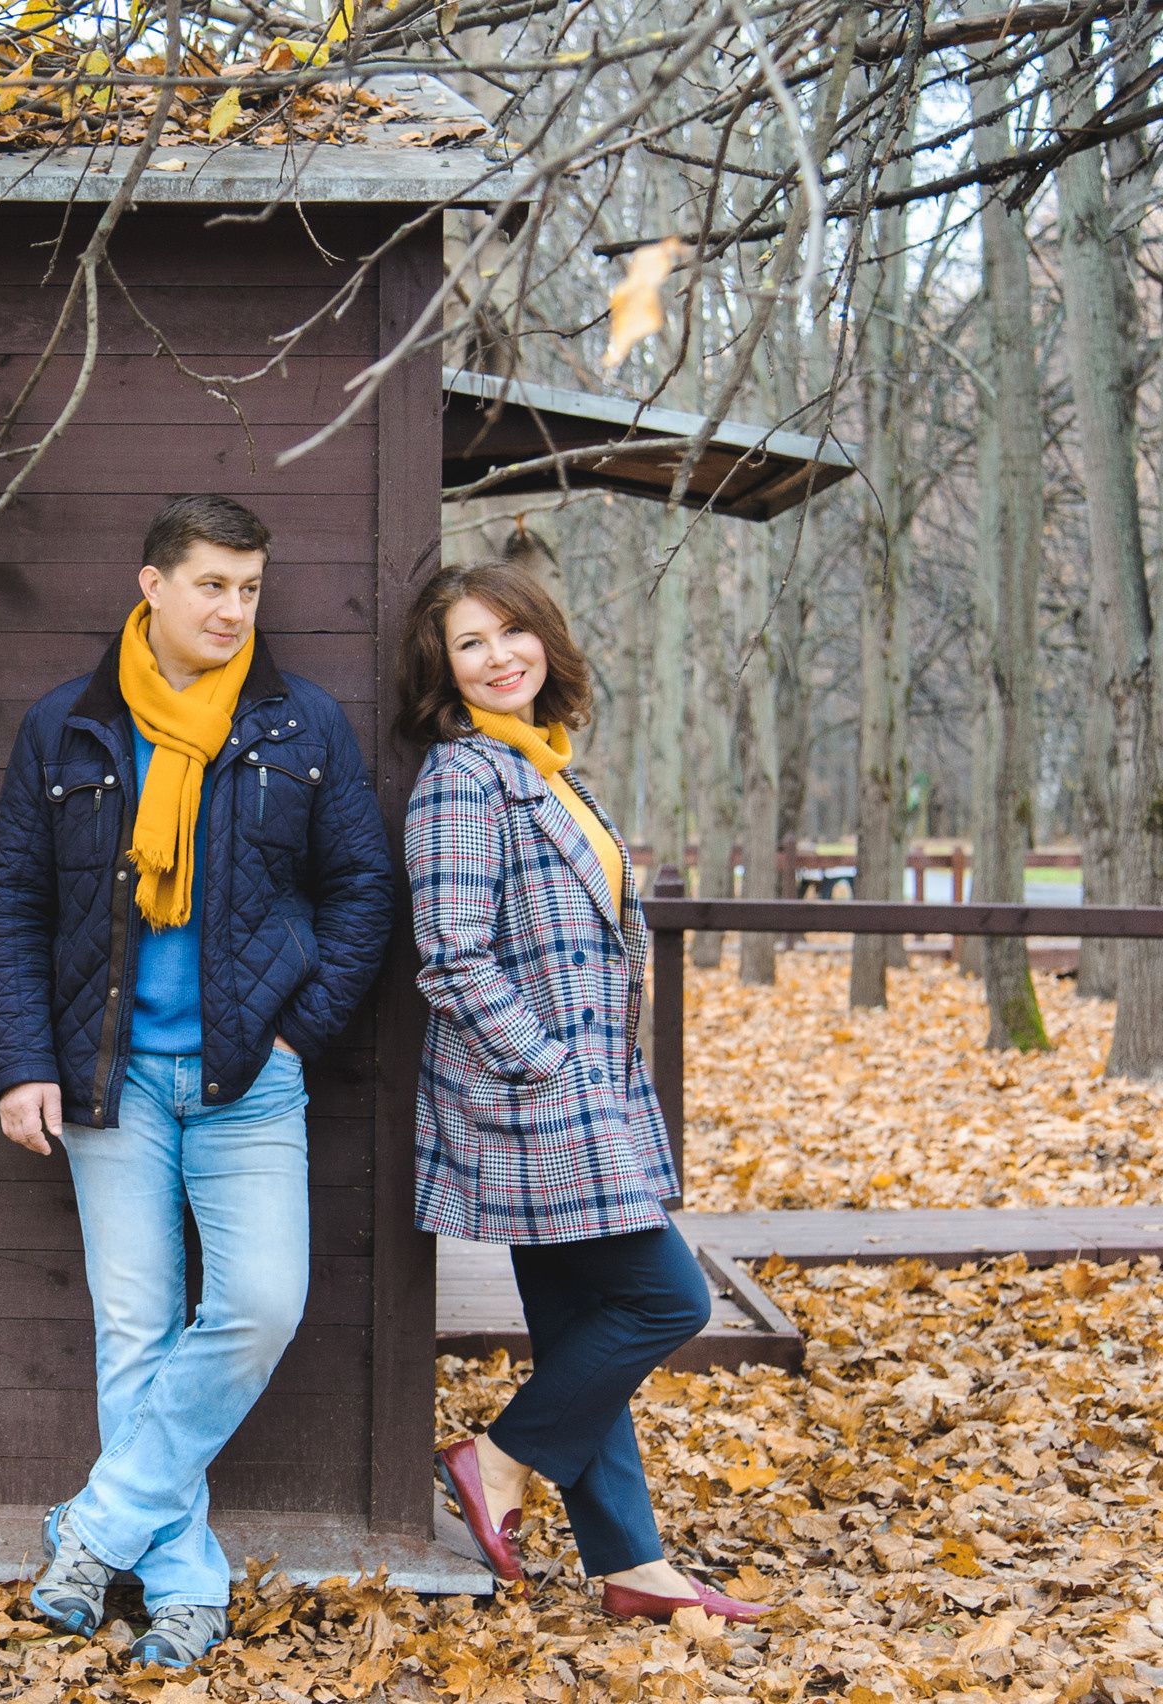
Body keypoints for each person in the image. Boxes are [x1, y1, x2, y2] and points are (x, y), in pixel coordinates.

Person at [0, 495, 393, 1665]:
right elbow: (15, 903)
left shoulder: (299, 725)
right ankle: (184, 1588)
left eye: (249, 588)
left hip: (247, 1077)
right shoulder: (68, 726)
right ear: (151, 585)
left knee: (260, 1304)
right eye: (211, 584)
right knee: (136, 1329)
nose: (233, 609)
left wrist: (298, 1032)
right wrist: (23, 1063)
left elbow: (362, 888)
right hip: (106, 1076)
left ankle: (94, 1529)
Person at [399, 561, 764, 1624]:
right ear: (444, 669)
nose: (497, 656)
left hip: (583, 1090)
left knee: (579, 1330)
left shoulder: (549, 768)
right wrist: (548, 1066)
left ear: (545, 640)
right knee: (667, 1299)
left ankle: (632, 1568)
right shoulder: (464, 777)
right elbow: (451, 955)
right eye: (469, 644)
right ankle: (494, 1460)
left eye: (511, 632)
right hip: (536, 1101)